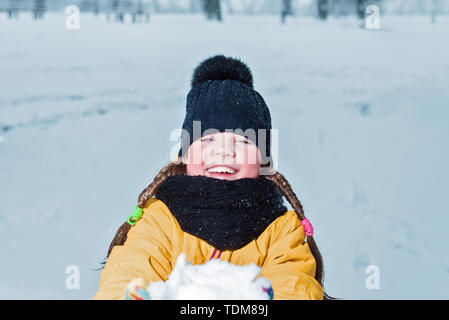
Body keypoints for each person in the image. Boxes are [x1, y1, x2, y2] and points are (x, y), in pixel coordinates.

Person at [93, 55, 330, 300]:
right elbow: (127, 276)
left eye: (242, 140)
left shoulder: (282, 230)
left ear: (264, 161)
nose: (224, 151)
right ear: (184, 156)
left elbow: (293, 286)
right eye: (207, 139)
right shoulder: (159, 220)